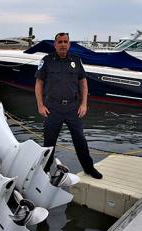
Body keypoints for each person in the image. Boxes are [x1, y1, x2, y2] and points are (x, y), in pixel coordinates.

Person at [34, 32, 102, 179]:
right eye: (60, 42)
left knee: (80, 140)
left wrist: (84, 104)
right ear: (55, 44)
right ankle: (44, 171)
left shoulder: (76, 60)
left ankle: (89, 168)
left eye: (66, 42)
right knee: (49, 143)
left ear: (69, 44)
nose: (63, 44)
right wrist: (40, 105)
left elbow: (83, 83)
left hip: (73, 108)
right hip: (53, 108)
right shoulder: (47, 60)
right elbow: (39, 84)